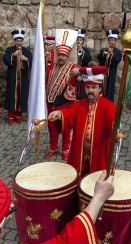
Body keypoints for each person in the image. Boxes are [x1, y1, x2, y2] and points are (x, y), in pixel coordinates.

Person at [47, 66, 119, 176]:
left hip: (98, 154)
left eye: (94, 87)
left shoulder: (108, 106)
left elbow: (111, 117)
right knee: (79, 181)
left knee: (96, 180)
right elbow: (70, 113)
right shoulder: (79, 105)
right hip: (79, 153)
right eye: (88, 87)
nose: (90, 90)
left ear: (100, 89)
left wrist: (114, 123)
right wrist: (59, 114)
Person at [45, 29, 80, 159]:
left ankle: (66, 149)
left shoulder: (74, 67)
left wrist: (79, 73)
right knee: (52, 127)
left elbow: (85, 75)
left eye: (63, 55)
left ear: (68, 55)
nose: (61, 57)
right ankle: (53, 148)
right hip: (51, 102)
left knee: (66, 127)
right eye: (59, 55)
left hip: (66, 103)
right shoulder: (51, 67)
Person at [3, 29, 32, 125]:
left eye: (20, 41)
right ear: (14, 41)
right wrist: (13, 55)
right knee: (12, 96)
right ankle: (11, 116)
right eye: (17, 41)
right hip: (13, 77)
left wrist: (26, 59)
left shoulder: (27, 51)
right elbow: (5, 59)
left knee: (22, 96)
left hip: (23, 77)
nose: (19, 42)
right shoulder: (9, 50)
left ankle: (18, 115)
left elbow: (32, 62)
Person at [97, 29, 123, 102]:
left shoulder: (118, 52)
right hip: (103, 73)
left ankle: (108, 102)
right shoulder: (105, 49)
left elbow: (117, 60)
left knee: (109, 89)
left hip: (111, 72)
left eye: (112, 40)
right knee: (101, 88)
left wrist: (112, 53)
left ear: (115, 41)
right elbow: (99, 58)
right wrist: (104, 53)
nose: (110, 41)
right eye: (109, 40)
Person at [75, 28, 93, 99]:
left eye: (80, 40)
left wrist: (82, 51)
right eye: (78, 39)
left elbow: (88, 61)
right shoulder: (73, 50)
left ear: (83, 41)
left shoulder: (86, 50)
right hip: (74, 73)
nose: (79, 41)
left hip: (83, 74)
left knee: (82, 93)